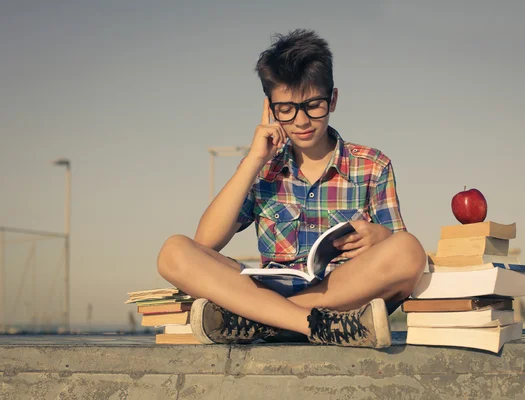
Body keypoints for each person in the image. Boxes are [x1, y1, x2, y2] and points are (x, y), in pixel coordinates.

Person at [157, 29, 426, 349]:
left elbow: (402, 260)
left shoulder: (372, 165)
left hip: (338, 292)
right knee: (173, 252)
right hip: (267, 291)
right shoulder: (262, 168)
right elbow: (205, 243)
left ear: (333, 100)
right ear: (270, 108)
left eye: (313, 105)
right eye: (286, 108)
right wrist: (254, 159)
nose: (301, 120)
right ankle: (309, 324)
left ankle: (260, 321)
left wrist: (381, 237)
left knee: (410, 250)